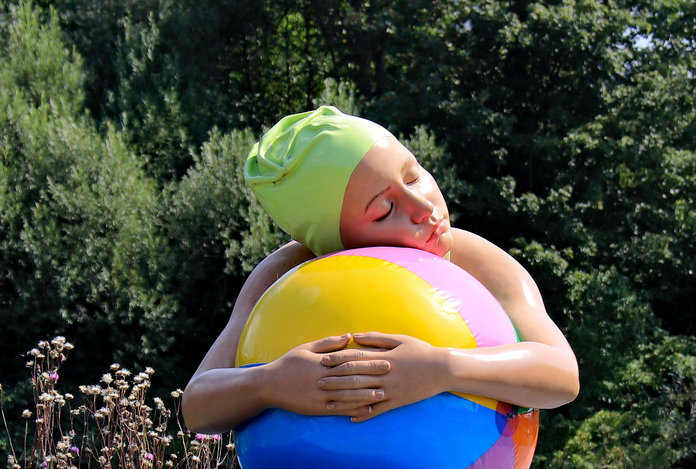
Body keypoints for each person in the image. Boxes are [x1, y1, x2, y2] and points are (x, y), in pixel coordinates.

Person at [180, 106, 578, 434]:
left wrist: (444, 368)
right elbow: (198, 406)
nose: (425, 208)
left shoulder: (479, 262)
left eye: (414, 175)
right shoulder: (283, 275)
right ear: (336, 244)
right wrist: (269, 384)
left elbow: (562, 375)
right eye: (385, 210)